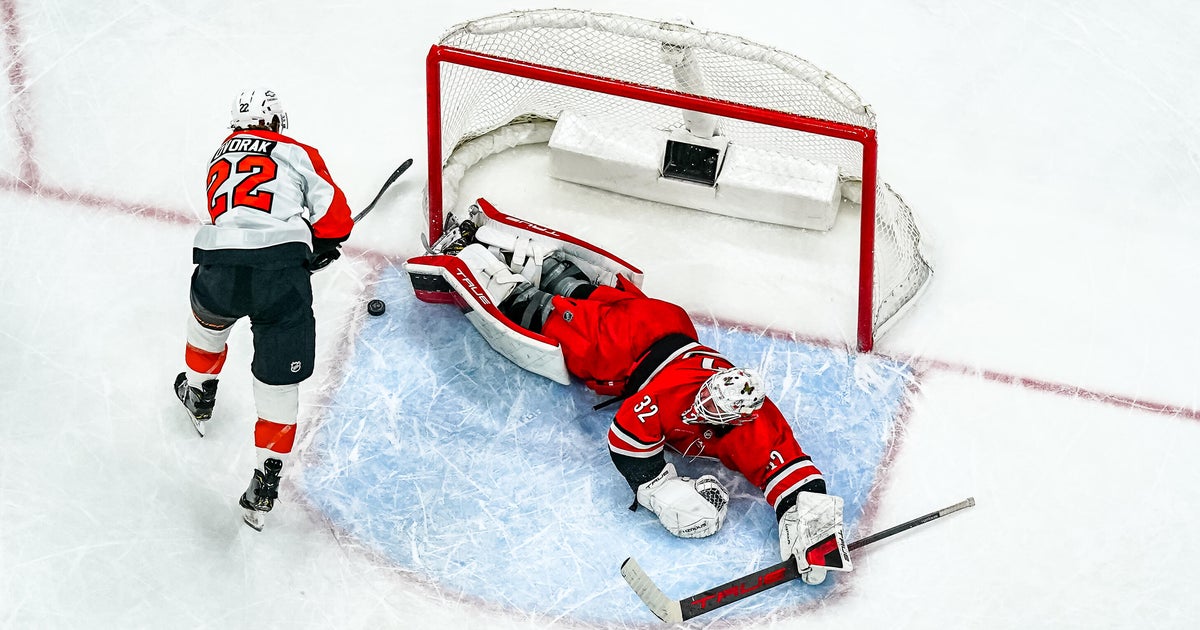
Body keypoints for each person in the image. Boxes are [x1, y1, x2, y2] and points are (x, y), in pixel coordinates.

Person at [430, 214, 852, 584]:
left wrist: (815, 532)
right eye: (707, 397)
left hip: (667, 321)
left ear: (737, 417)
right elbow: (626, 436)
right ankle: (474, 261)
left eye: (713, 408)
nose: (702, 405)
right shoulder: (678, 398)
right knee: (547, 316)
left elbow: (795, 475)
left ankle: (549, 268)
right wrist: (658, 489)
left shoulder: (754, 422)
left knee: (588, 297)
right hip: (621, 348)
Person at [174, 88, 353, 531]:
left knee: (207, 327)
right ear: (275, 121)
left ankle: (198, 393)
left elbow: (235, 210)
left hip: (219, 266)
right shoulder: (296, 151)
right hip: (280, 277)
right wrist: (319, 245)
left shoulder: (219, 155)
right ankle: (266, 479)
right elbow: (335, 220)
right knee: (277, 383)